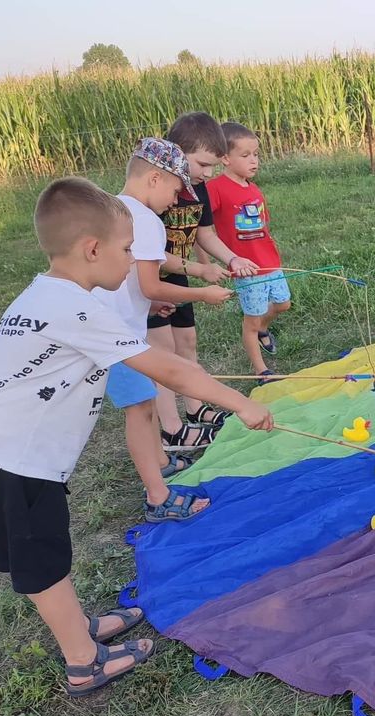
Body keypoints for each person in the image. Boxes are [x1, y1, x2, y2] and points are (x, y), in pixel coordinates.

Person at [0, 177, 273, 695]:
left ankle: (80, 628)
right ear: (92, 249)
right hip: (9, 461)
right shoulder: (73, 310)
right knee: (44, 563)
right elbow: (173, 371)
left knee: (50, 553)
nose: (132, 261)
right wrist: (244, 404)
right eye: (128, 250)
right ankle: (83, 661)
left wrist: (151, 309)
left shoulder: (55, 296)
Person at [93, 138, 233, 518]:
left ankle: (161, 460)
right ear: (155, 178)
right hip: (113, 337)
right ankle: (158, 494)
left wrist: (150, 300)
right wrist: (202, 294)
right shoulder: (147, 220)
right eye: (175, 189)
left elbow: (135, 275)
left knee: (146, 400)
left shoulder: (114, 209)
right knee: (140, 409)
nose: (176, 201)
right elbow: (151, 282)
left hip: (112, 327)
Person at [152, 112, 260, 442]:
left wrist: (232, 257)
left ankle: (195, 407)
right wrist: (201, 270)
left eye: (214, 166)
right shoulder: (157, 193)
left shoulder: (199, 190)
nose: (209, 174)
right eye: (202, 164)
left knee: (187, 343)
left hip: (178, 275)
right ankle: (172, 429)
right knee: (163, 353)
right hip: (150, 283)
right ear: (176, 152)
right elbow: (150, 255)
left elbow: (206, 234)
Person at [206, 122, 290, 381]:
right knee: (250, 321)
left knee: (283, 304)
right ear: (225, 158)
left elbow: (262, 226)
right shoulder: (216, 188)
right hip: (246, 268)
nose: (253, 161)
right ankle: (260, 370)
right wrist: (206, 261)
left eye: (256, 154)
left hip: (269, 261)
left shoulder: (252, 188)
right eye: (245, 156)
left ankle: (263, 328)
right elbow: (203, 228)